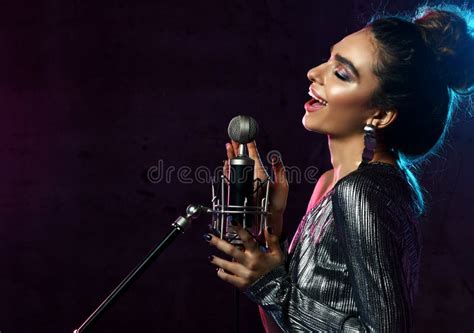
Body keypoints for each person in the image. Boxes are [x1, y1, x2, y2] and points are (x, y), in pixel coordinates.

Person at [203, 3, 474, 332]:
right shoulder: (332, 182)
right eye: (329, 60)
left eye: (342, 73)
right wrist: (267, 230)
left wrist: (270, 285)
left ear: (381, 114)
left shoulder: (362, 194)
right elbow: (285, 327)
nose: (314, 73)